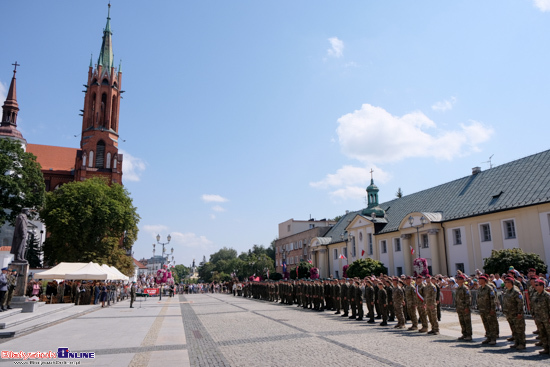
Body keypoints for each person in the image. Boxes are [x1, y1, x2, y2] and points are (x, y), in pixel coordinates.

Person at [503, 276, 526, 350]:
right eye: (505, 282)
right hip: (509, 313)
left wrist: (519, 312)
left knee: (519, 329)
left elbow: (520, 302)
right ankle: (516, 342)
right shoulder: (507, 290)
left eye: (506, 282)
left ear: (511, 283)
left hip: (516, 313)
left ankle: (522, 343)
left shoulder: (516, 291)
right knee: (514, 329)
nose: (505, 284)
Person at [532, 279, 550, 354]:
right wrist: (533, 314)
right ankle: (546, 348)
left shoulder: (547, 295)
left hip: (546, 318)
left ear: (542, 286)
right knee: (542, 333)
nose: (535, 286)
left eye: (537, 285)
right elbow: (533, 305)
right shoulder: (535, 295)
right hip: (539, 318)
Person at [455, 274, 473, 341]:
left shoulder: (465, 288)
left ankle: (469, 335)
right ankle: (464, 334)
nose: (458, 280)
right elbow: (456, 299)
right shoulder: (458, 288)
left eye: (460, 279)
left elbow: (468, 298)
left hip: (465, 308)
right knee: (462, 321)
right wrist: (456, 306)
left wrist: (467, 307)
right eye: (458, 279)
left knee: (467, 321)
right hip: (459, 308)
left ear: (462, 280)